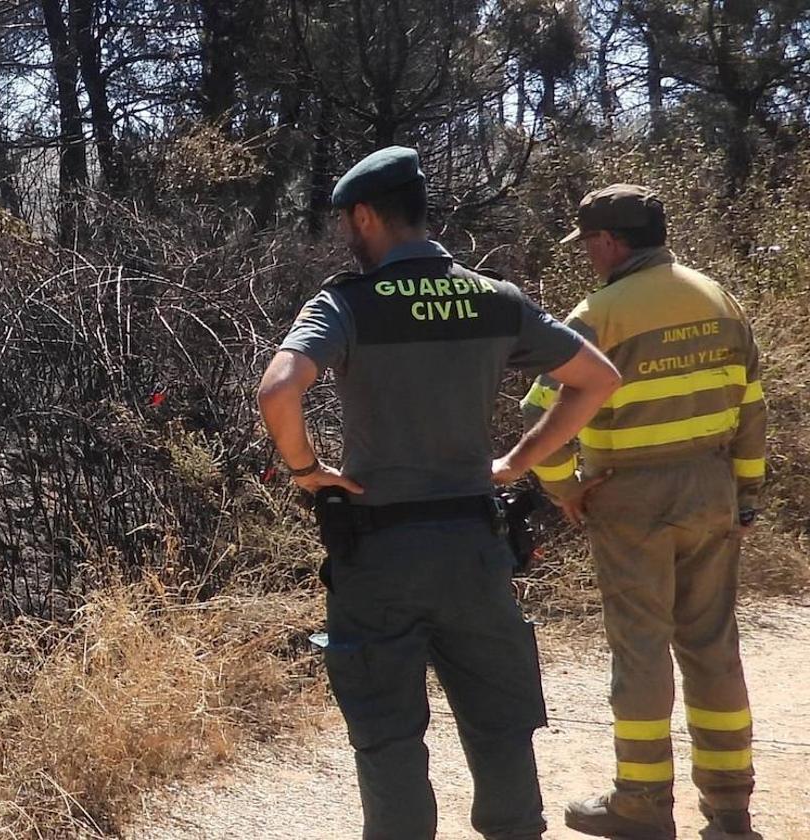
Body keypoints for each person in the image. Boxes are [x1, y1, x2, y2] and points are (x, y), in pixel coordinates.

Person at [256, 146, 621, 840]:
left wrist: (307, 471)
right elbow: (597, 377)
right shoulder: (495, 299)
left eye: (347, 222)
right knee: (500, 721)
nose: (345, 236)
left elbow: (278, 390)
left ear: (366, 214)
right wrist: (517, 460)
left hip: (378, 553)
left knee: (389, 736)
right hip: (474, 547)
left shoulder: (347, 304)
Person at [521, 184, 767, 840]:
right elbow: (751, 408)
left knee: (641, 650)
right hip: (711, 488)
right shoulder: (719, 298)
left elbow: (537, 414)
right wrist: (745, 497)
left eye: (590, 245)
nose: (588, 258)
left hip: (629, 497)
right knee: (713, 647)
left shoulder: (599, 313)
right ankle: (731, 809)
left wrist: (563, 486)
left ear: (611, 241)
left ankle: (642, 802)